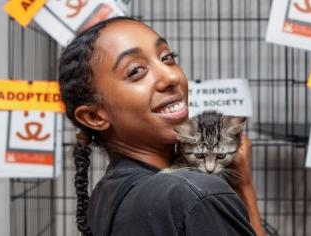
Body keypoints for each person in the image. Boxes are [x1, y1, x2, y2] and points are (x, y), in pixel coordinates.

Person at [58, 16, 265, 236]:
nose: (171, 76)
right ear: (93, 117)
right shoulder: (196, 195)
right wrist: (244, 187)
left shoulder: (104, 193)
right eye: (136, 71)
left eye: (167, 57)